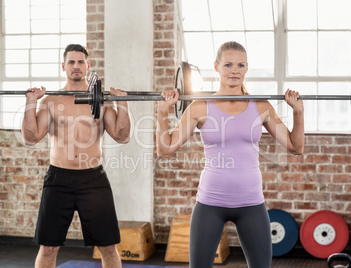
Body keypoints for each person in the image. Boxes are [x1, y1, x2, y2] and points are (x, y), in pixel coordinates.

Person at [156, 41, 304, 268]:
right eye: (228, 64)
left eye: (240, 65)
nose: (234, 70)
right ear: (216, 67)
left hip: (251, 202)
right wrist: (162, 113)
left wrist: (298, 112)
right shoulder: (200, 106)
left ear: (246, 68)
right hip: (210, 203)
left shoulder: (261, 106)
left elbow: (295, 146)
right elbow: (164, 149)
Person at [21, 44, 131, 268]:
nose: (76, 66)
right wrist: (30, 103)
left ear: (88, 66)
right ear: (64, 66)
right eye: (71, 62)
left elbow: (122, 136)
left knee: (108, 246)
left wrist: (123, 103)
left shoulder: (100, 102)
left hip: (93, 180)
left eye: (81, 62)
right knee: (48, 247)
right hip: (59, 180)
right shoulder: (51, 102)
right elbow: (30, 138)